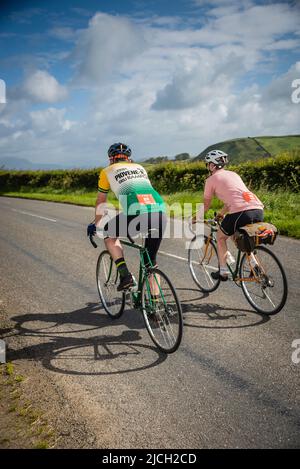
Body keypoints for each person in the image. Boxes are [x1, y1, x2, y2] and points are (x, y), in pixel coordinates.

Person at [87, 143, 167, 290]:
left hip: (137, 213)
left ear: (111, 159)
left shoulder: (107, 171)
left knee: (109, 234)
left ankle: (125, 276)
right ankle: (155, 309)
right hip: (160, 212)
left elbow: (101, 201)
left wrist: (97, 224)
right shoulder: (140, 167)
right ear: (129, 159)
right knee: (151, 263)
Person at [193, 149, 264, 281]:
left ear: (213, 165)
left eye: (208, 164)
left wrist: (195, 218)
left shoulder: (211, 180)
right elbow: (232, 199)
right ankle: (255, 266)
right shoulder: (234, 174)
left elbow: (206, 205)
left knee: (220, 237)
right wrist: (220, 214)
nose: (208, 166)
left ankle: (223, 272)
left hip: (240, 212)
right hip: (258, 209)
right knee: (240, 237)